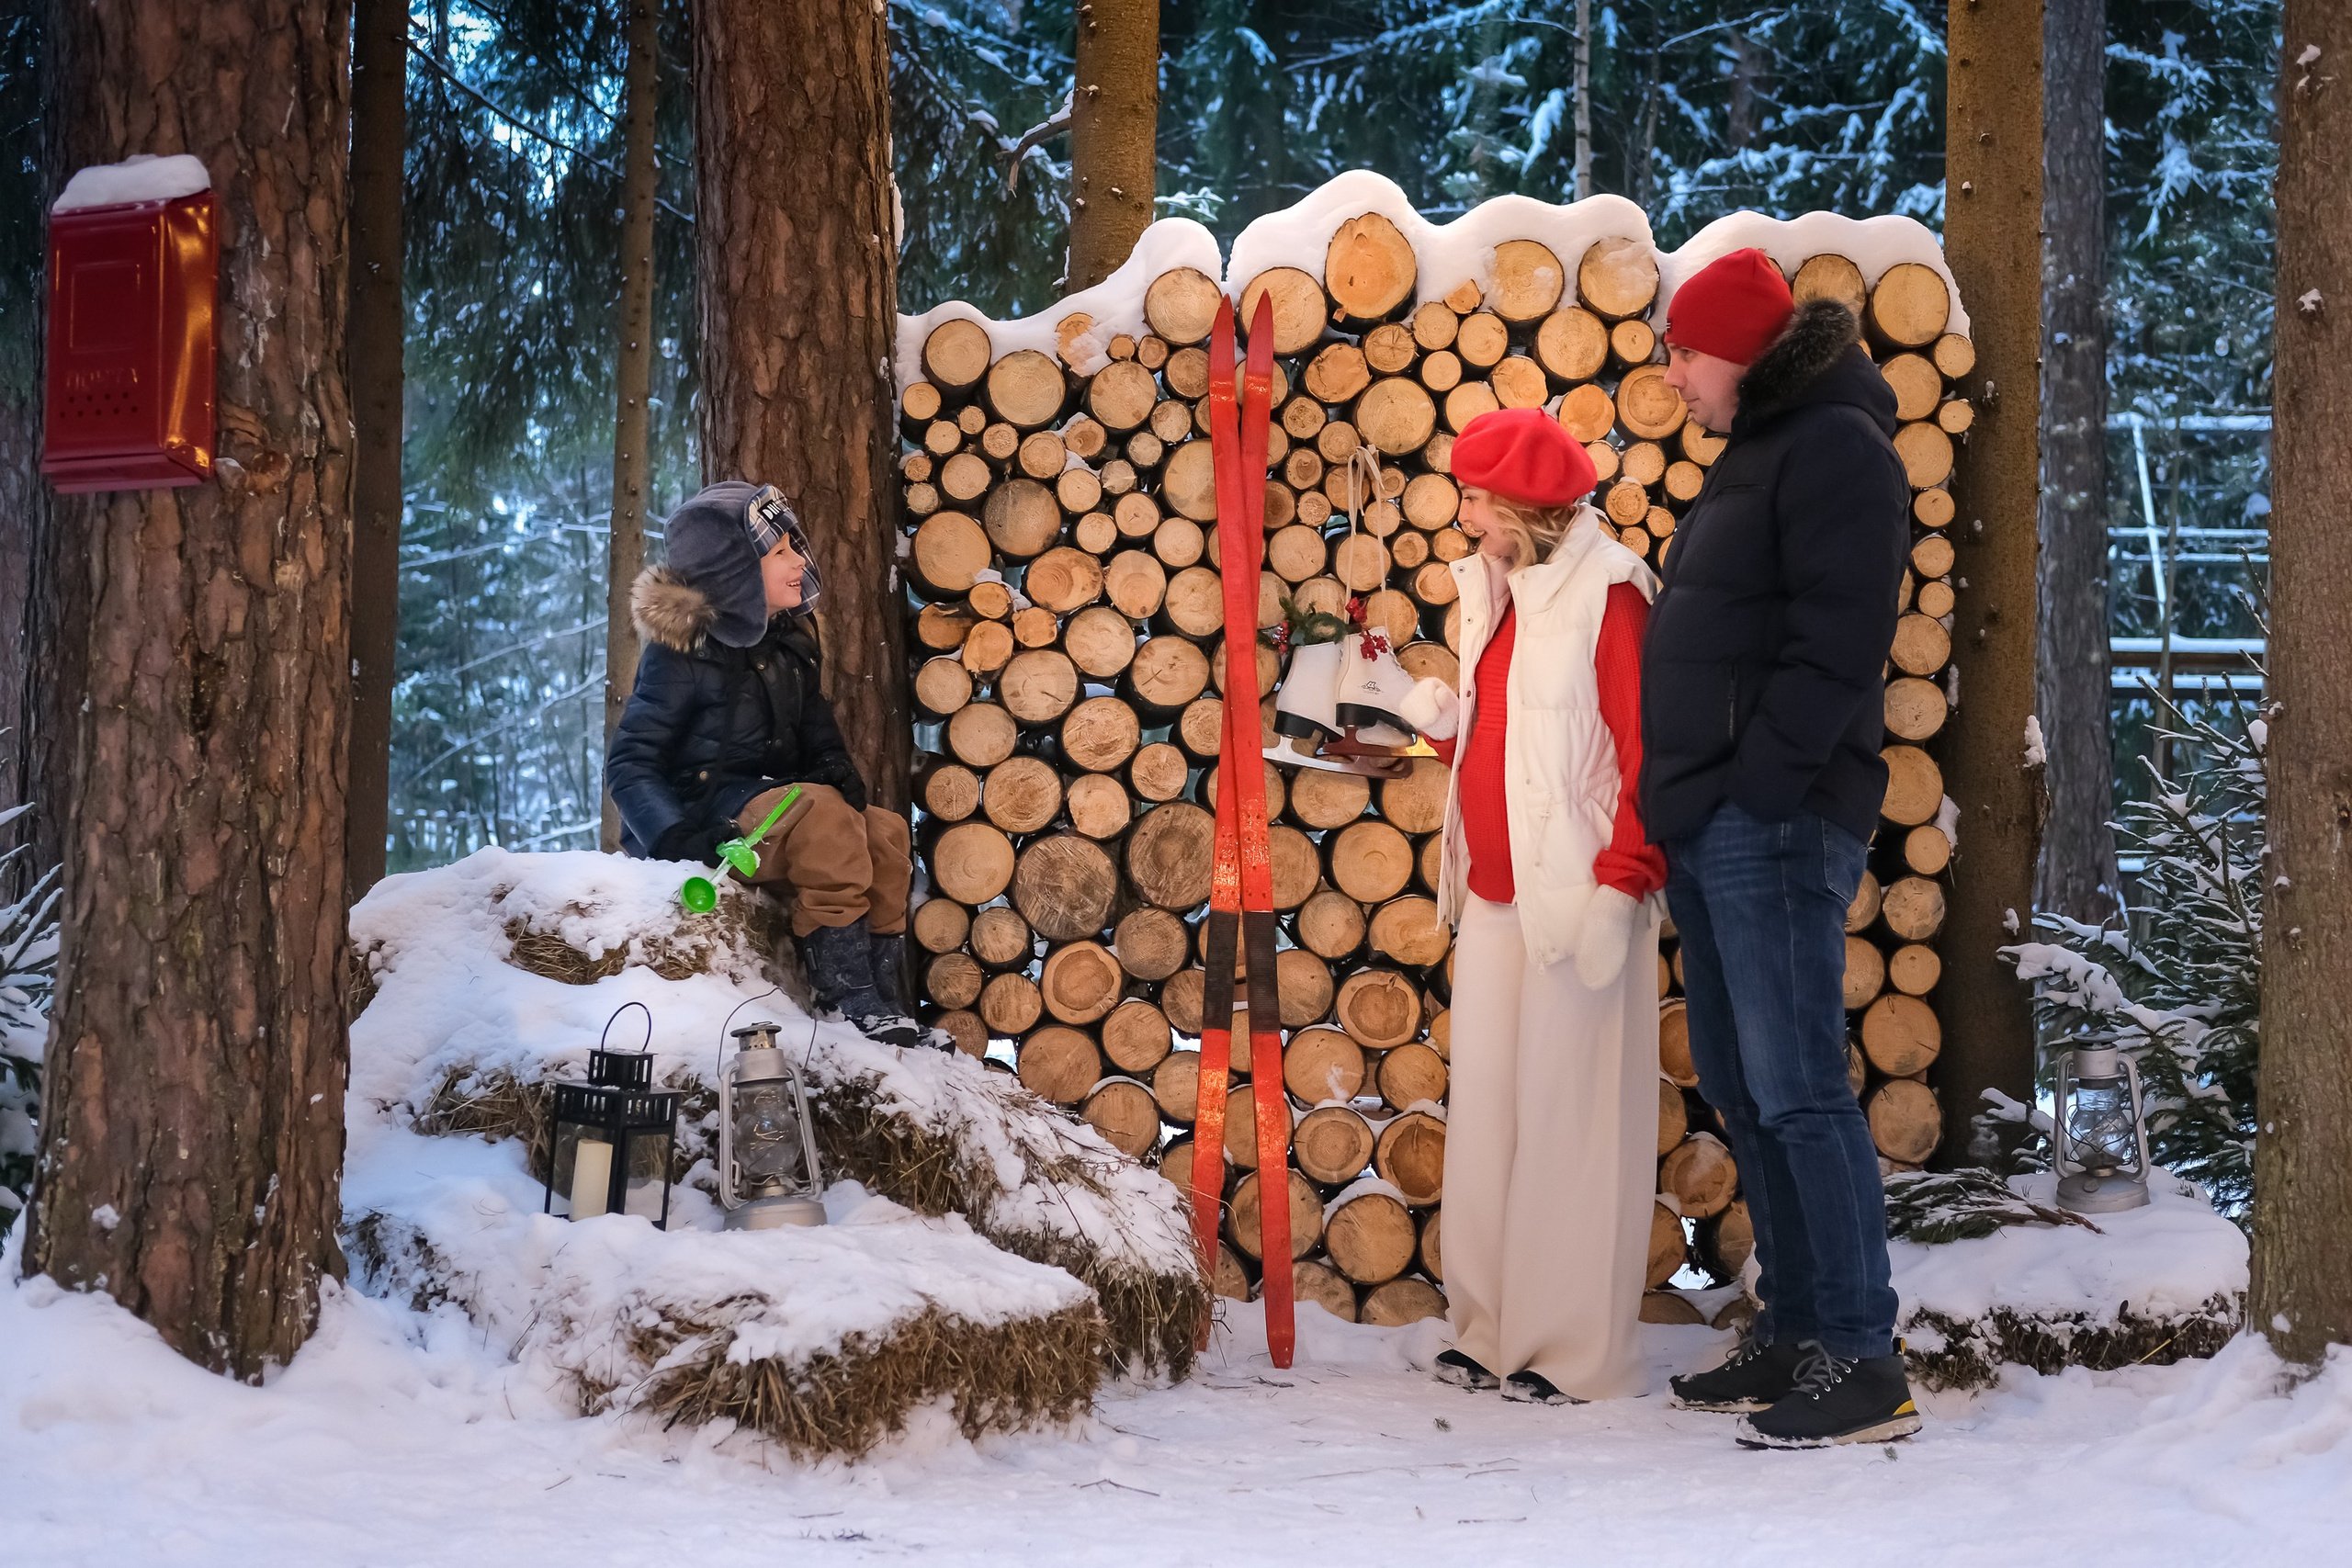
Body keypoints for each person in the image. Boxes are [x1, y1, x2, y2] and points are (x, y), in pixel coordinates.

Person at [1639, 248, 1918, 1447]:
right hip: (1715, 816)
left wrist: (1755, 787)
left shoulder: (1836, 448)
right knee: (1750, 1088)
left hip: (1776, 816)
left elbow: (1840, 640)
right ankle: (1800, 1327)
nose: (1672, 373)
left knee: (1801, 1086)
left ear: (1742, 350)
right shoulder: (1760, 448)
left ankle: (1864, 1355)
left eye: (1684, 350)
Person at [1395, 406, 1667, 1405]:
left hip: (1580, 894)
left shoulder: (1613, 595)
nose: (1464, 519)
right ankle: (1489, 1327)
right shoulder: (1502, 591)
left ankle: (1567, 1351)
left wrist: (1623, 883)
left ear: (1520, 503)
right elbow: (1522, 734)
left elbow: (1647, 751)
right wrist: (1440, 731)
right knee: (1493, 1120)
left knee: (1570, 1122)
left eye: (1475, 500)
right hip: (1497, 892)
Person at [607, 479, 924, 1049]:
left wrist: (831, 761)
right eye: (780, 552)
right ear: (734, 571)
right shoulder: (682, 651)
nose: (799, 560)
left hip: (770, 804)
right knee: (824, 816)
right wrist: (675, 835)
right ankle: (843, 996)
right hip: (708, 820)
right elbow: (631, 761)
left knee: (886, 831)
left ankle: (881, 996)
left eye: (794, 546)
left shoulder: (790, 641)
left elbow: (812, 720)